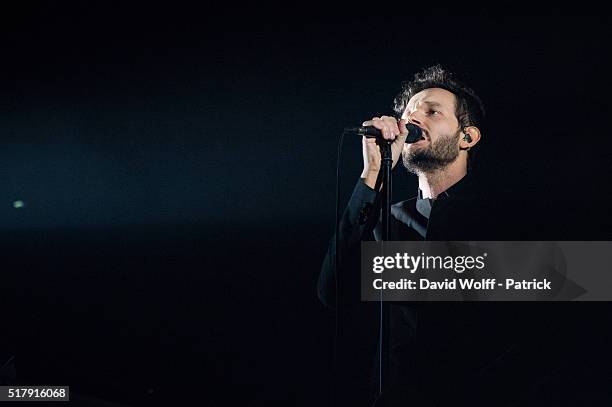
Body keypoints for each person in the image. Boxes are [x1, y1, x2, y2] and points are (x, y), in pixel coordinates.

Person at [318, 65, 607, 406]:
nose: (411, 119)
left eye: (431, 111)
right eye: (408, 112)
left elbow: (571, 318)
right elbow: (334, 292)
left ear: (467, 137)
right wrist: (373, 175)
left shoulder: (510, 219)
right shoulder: (388, 221)